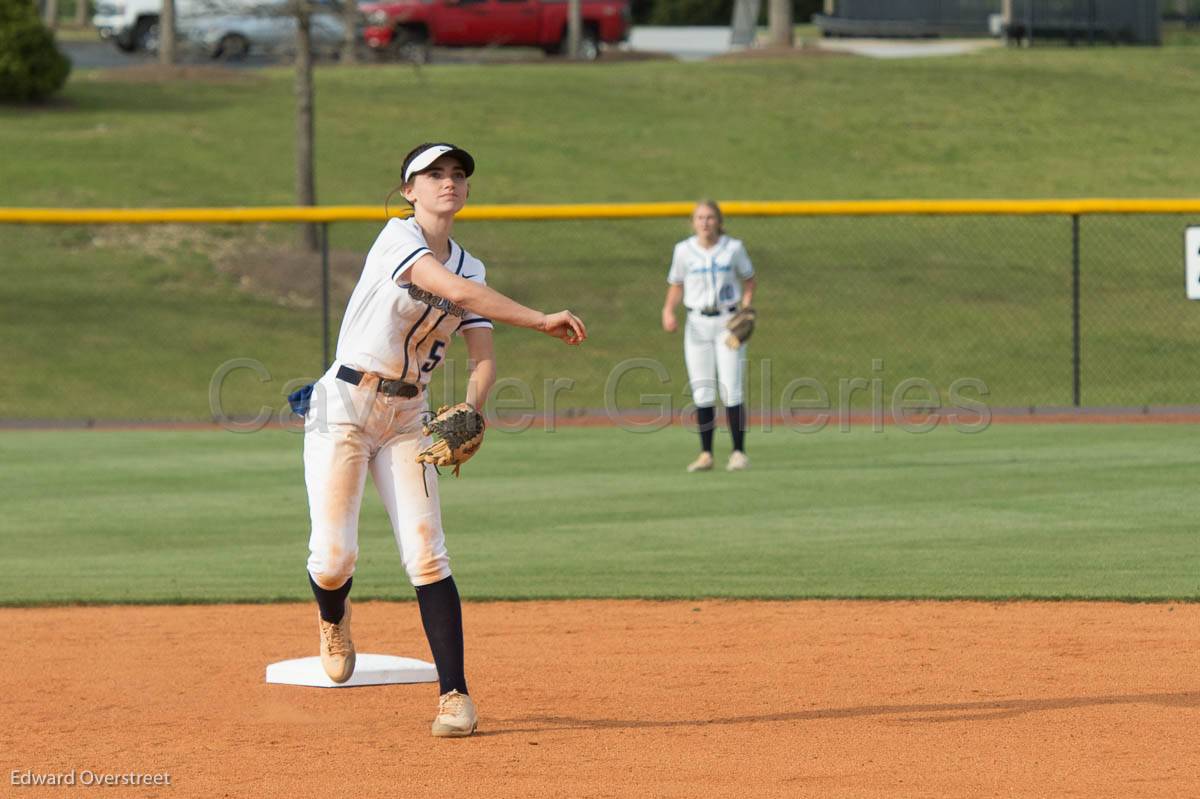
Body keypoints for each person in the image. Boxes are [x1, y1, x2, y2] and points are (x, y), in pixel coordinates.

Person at [299, 142, 587, 738]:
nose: (448, 182)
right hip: (345, 405)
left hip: (410, 418)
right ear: (409, 190)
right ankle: (333, 615)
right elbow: (453, 295)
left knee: (428, 554)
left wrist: (471, 409)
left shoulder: (473, 265)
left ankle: (454, 697)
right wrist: (540, 319)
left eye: (457, 174)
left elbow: (482, 360)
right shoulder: (396, 240)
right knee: (333, 561)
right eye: (434, 174)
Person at [661, 200, 756, 472]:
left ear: (719, 221)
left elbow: (749, 279)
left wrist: (747, 308)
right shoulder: (683, 251)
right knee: (702, 389)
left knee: (731, 386)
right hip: (696, 323)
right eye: (700, 217)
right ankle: (706, 454)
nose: (705, 222)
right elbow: (676, 284)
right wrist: (668, 310)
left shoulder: (733, 248)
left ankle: (738, 452)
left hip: (728, 322)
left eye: (710, 217)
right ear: (693, 222)